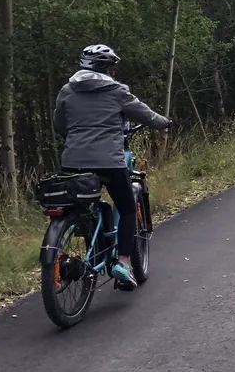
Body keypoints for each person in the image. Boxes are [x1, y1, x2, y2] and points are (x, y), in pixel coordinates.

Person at [53, 44, 172, 291]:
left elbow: (60, 125)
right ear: (106, 68)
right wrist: (164, 123)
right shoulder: (117, 91)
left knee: (84, 205)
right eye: (111, 67)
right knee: (127, 207)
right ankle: (123, 262)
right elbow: (146, 114)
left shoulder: (67, 90)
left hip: (72, 162)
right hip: (109, 162)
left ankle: (85, 248)